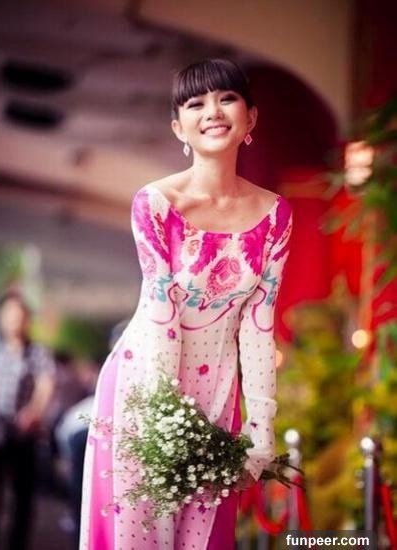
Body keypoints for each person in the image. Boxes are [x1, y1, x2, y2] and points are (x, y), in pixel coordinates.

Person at [80, 58, 293, 549]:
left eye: (226, 98)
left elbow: (259, 324)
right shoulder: (156, 204)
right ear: (179, 127)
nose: (212, 111)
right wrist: (164, 416)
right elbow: (162, 315)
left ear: (250, 117)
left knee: (202, 540)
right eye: (196, 104)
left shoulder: (275, 215)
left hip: (219, 392)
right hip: (145, 388)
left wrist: (261, 432)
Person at [0, 290, 56, 550]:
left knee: (22, 498)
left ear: (27, 319)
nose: (15, 319)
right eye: (10, 314)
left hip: (23, 433)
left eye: (20, 315)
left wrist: (34, 412)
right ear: (2, 317)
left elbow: (45, 383)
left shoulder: (36, 351)